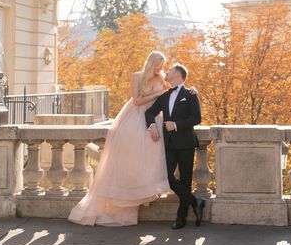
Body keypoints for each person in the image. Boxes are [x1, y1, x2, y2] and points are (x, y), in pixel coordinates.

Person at [68, 51, 171, 226]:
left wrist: (191, 90)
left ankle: (144, 191)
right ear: (151, 62)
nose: (160, 68)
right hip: (135, 116)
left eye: (162, 65)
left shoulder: (162, 78)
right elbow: (137, 101)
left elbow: (176, 87)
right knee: (131, 155)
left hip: (154, 118)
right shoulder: (137, 76)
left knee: (153, 155)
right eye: (157, 64)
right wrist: (157, 96)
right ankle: (127, 195)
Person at [145, 63, 205, 229]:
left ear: (177, 74)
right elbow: (149, 112)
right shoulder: (165, 96)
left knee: (185, 181)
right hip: (169, 144)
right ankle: (196, 202)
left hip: (186, 143)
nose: (167, 71)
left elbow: (196, 118)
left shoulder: (190, 94)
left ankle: (181, 218)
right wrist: (152, 126)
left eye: (170, 70)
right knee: (167, 178)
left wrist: (176, 125)